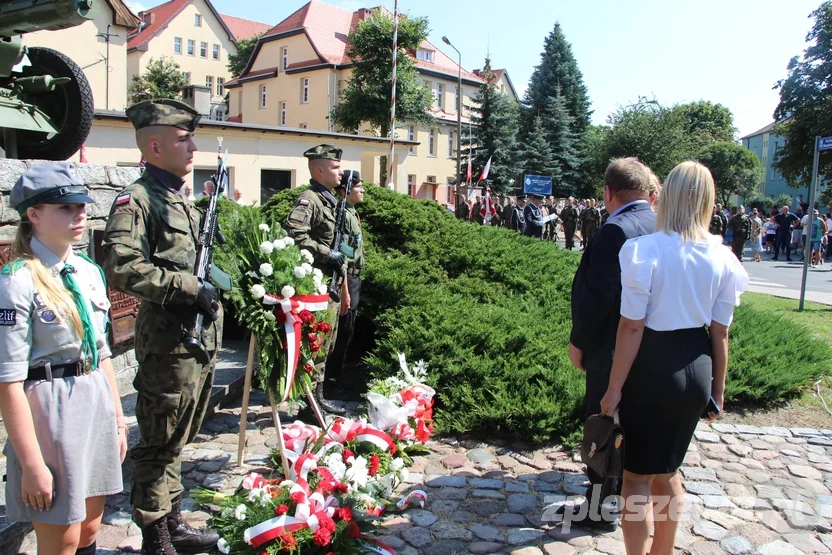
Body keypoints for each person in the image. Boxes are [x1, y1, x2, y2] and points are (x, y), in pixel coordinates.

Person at [599, 161, 748, 555]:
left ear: (665, 197)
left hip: (651, 367)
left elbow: (631, 327)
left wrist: (612, 390)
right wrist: (718, 390)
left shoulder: (643, 250)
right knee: (668, 472)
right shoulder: (722, 256)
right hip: (697, 366)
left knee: (635, 479)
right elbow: (721, 332)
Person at [102, 99, 222, 555]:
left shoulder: (178, 197)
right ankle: (157, 540)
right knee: (156, 444)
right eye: (182, 138)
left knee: (175, 441)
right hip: (167, 345)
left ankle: (172, 522)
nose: (192, 146)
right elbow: (122, 266)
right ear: (154, 145)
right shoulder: (136, 200)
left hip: (191, 342)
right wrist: (188, 288)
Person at [0, 162, 125, 555]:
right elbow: (8, 381)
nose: (79, 215)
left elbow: (101, 351)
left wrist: (118, 420)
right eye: (65, 208)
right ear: (33, 215)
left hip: (94, 401)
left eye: (81, 206)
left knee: (89, 529)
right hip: (51, 411)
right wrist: (32, 462)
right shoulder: (17, 281)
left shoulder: (87, 270)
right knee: (61, 540)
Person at [566, 157, 657, 531]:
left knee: (604, 422)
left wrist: (579, 342)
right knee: (634, 420)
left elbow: (598, 298)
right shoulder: (660, 224)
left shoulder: (614, 230)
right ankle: (626, 491)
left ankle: (601, 504)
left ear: (608, 192)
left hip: (611, 344)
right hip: (652, 344)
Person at [284, 144, 347, 416]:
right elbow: (295, 233)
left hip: (330, 282)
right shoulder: (309, 199)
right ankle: (308, 404)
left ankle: (317, 398)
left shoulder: (330, 199)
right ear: (319, 170)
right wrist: (326, 253)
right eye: (335, 167)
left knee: (326, 343)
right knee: (316, 342)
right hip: (316, 284)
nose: (340, 172)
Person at [325, 171, 365, 398]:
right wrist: (345, 292)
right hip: (347, 279)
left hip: (354, 278)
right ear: (344, 190)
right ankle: (331, 382)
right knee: (342, 332)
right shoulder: (343, 215)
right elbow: (342, 256)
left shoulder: (351, 212)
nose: (362, 191)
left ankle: (335, 378)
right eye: (358, 187)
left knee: (348, 331)